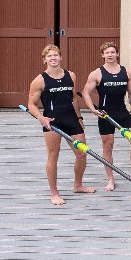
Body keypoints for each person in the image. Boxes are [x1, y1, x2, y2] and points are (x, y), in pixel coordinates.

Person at [30, 44, 94, 205]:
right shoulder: (39, 80)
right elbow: (31, 104)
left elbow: (73, 98)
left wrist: (79, 117)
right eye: (49, 56)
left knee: (81, 153)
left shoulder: (70, 75)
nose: (53, 58)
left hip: (71, 119)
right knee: (53, 156)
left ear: (61, 57)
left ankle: (78, 185)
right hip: (51, 121)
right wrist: (41, 118)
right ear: (44, 59)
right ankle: (54, 193)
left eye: (56, 55)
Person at [80, 42, 131, 190]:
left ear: (117, 54)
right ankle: (110, 179)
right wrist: (92, 109)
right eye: (107, 52)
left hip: (122, 113)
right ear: (102, 55)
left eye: (112, 52)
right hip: (105, 115)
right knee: (108, 146)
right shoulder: (97, 73)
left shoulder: (126, 72)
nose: (110, 55)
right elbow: (85, 92)